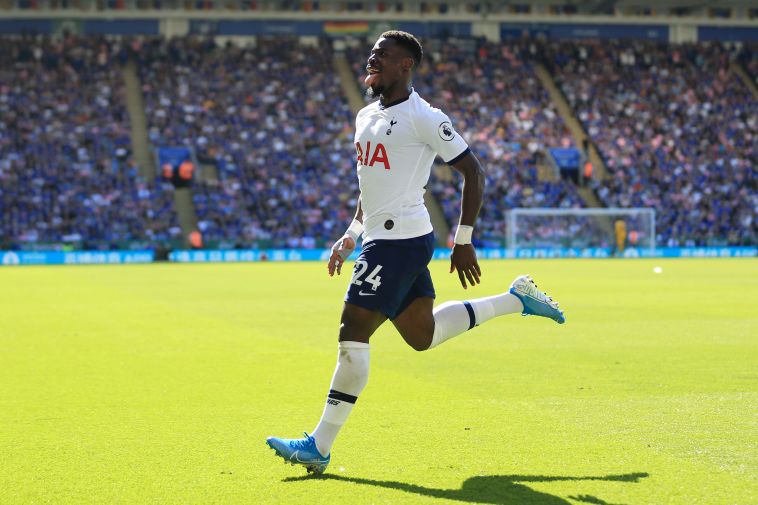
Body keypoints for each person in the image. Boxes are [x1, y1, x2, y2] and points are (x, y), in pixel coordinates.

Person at [266, 31, 565, 475]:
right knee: (422, 336)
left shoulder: (425, 117)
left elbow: (473, 171)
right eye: (372, 53)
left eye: (382, 55)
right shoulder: (365, 115)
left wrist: (463, 239)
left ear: (405, 65)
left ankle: (319, 444)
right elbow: (370, 189)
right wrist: (350, 235)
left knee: (353, 333)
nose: (372, 59)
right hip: (381, 238)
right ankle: (515, 299)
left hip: (400, 241)